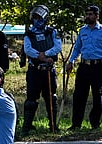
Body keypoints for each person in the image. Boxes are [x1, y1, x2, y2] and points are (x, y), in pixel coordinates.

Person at [21, 5, 62, 135]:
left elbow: (58, 47)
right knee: (31, 100)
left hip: (49, 71)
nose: (37, 20)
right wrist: (41, 56)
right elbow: (27, 49)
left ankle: (53, 126)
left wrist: (47, 53)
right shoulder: (29, 33)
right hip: (34, 70)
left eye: (39, 18)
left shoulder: (52, 32)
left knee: (51, 97)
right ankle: (26, 127)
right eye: (35, 18)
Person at [66, 5, 102, 130]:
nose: (88, 16)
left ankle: (95, 124)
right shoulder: (82, 31)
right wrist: (71, 61)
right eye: (87, 14)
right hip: (84, 66)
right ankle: (76, 124)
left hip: (99, 67)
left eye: (91, 14)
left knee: (98, 97)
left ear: (97, 16)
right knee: (79, 96)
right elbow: (77, 48)